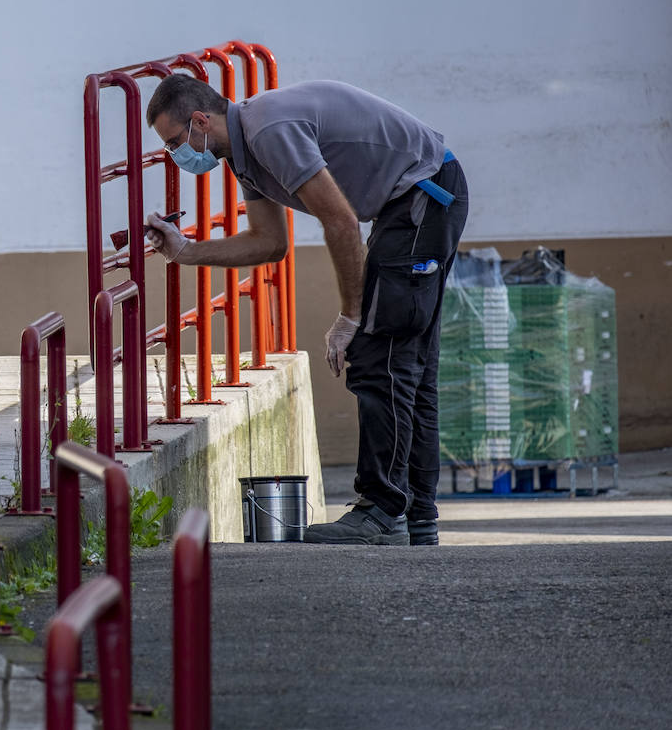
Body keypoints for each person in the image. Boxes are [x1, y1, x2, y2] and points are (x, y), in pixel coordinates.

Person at [143, 74, 468, 545]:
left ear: (200, 120)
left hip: (424, 194)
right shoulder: (243, 153)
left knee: (382, 357)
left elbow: (339, 221)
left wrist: (349, 317)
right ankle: (416, 518)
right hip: (412, 200)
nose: (177, 155)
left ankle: (382, 512)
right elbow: (269, 243)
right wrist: (185, 252)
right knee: (408, 366)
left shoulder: (267, 130)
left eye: (176, 141)